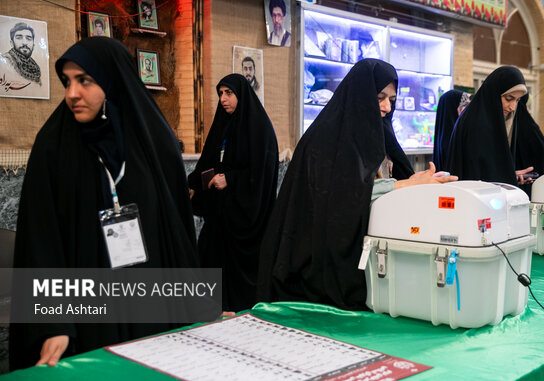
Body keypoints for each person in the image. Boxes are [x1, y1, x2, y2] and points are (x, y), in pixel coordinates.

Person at [9, 37, 199, 370]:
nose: (71, 93)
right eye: (67, 81)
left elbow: (177, 233)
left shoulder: (154, 144)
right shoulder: (53, 148)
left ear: (112, 80)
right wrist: (54, 324)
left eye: (84, 80)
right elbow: (41, 243)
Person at [256, 59, 457, 311]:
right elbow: (340, 198)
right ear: (361, 95)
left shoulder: (377, 134)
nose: (386, 107)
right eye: (380, 97)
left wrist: (410, 183)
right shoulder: (325, 140)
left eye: (391, 100)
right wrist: (402, 186)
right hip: (316, 268)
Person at [188, 74, 278, 312]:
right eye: (220, 93)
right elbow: (208, 161)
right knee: (208, 254)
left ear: (241, 94)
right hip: (221, 214)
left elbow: (263, 172)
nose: (223, 99)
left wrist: (231, 179)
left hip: (246, 215)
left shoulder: (259, 128)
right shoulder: (222, 125)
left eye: (229, 93)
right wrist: (194, 183)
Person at [445, 65, 536, 186]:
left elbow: (491, 169)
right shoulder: (475, 124)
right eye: (509, 98)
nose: (513, 107)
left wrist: (510, 176)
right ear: (494, 94)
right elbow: (474, 175)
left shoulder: (495, 121)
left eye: (517, 100)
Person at [432, 89, 470, 172]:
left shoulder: (445, 136)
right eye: (465, 105)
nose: (468, 109)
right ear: (453, 107)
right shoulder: (450, 140)